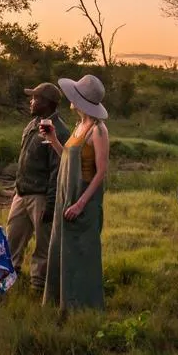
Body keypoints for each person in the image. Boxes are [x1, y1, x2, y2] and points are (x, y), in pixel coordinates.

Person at [39, 73, 110, 313]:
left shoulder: (98, 130)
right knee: (63, 250)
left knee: (82, 254)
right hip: (65, 197)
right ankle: (64, 305)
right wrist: (53, 140)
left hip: (83, 200)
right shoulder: (80, 126)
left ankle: (84, 309)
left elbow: (101, 172)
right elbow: (68, 159)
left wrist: (80, 204)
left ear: (80, 101)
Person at [7, 82, 69, 294]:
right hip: (22, 193)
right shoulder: (32, 125)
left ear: (47, 103)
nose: (31, 102)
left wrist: (51, 205)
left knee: (43, 247)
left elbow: (57, 171)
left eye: (35, 98)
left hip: (42, 196)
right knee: (12, 240)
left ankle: (38, 290)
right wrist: (17, 189)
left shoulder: (58, 130)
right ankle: (7, 282)